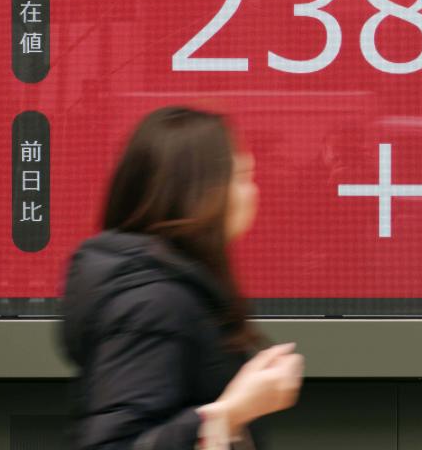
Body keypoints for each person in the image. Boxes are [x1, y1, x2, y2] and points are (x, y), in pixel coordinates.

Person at [58, 106, 304, 449]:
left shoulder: (171, 286)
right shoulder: (152, 302)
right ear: (200, 193)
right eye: (241, 177)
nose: (253, 191)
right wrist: (233, 411)